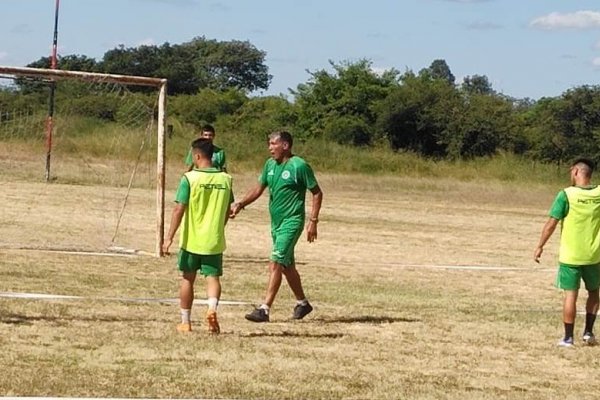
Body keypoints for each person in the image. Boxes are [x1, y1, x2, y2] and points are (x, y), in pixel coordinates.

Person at [231, 130, 323, 322]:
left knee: (275, 261)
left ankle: (264, 309)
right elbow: (258, 188)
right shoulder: (270, 165)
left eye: (273, 144)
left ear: (285, 145)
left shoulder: (300, 165)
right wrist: (240, 204)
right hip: (276, 224)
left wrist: (313, 221)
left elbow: (316, 192)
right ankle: (303, 303)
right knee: (287, 267)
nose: (270, 148)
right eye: (269, 144)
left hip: (292, 222)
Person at [164, 137, 234, 334]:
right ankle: (212, 309)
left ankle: (185, 321)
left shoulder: (190, 178)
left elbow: (179, 208)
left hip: (191, 240)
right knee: (213, 278)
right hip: (214, 239)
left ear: (197, 155)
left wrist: (169, 236)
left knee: (188, 279)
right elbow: (228, 209)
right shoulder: (226, 179)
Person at [534, 157, 600, 347]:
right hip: (594, 256)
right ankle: (588, 332)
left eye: (572, 171)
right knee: (594, 293)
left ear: (577, 172)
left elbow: (551, 224)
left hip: (571, 256)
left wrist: (540, 245)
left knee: (571, 295)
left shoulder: (566, 195)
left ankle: (568, 338)